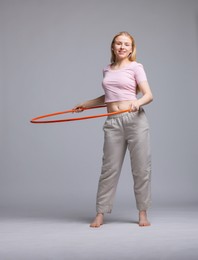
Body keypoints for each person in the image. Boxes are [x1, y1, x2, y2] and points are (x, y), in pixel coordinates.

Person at [74, 31, 153, 228]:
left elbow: (148, 95)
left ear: (131, 49)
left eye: (126, 44)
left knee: (141, 168)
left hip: (135, 120)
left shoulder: (136, 67)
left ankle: (142, 212)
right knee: (109, 169)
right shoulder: (107, 70)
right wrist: (85, 104)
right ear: (113, 46)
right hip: (113, 123)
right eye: (119, 43)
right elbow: (108, 97)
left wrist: (137, 102)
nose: (122, 47)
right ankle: (100, 213)